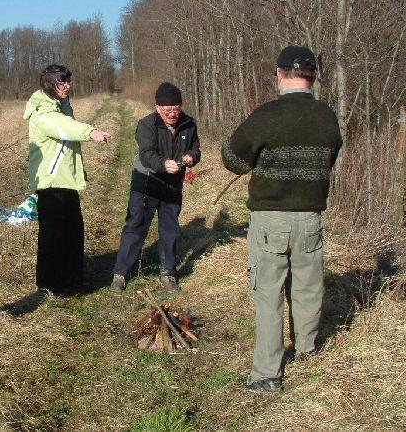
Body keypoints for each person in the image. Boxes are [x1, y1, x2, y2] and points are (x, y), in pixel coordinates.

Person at [221, 46, 343, 392]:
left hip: (271, 219)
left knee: (268, 294)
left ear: (279, 73)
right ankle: (307, 352)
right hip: (310, 219)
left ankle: (266, 374)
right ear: (314, 76)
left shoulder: (267, 115)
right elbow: (329, 157)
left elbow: (232, 157)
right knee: (308, 288)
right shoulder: (327, 117)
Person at [23, 64, 111, 296]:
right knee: (53, 236)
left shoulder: (61, 105)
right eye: (62, 82)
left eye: (68, 81)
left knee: (73, 232)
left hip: (66, 181)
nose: (68, 86)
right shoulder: (43, 111)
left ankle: (72, 282)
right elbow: (63, 127)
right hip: (51, 183)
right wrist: (90, 132)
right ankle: (49, 286)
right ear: (51, 84)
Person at [111, 82, 201, 293]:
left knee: (169, 229)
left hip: (172, 186)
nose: (172, 114)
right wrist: (163, 164)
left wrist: (191, 157)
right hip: (146, 182)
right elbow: (146, 153)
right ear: (157, 107)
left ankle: (168, 274)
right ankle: (120, 274)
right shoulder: (146, 124)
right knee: (136, 226)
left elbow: (196, 149)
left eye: (176, 110)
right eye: (168, 110)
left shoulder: (189, 123)